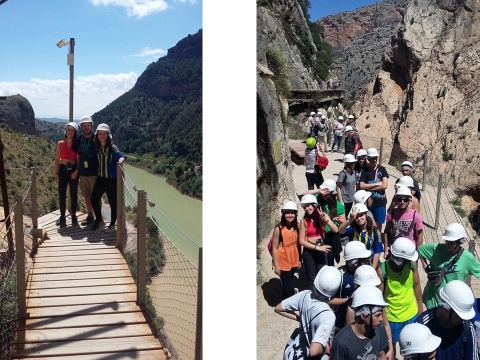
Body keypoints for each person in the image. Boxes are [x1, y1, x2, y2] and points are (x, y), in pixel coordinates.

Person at [275, 266, 341, 360]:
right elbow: (314, 351)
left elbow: (278, 308)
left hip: (301, 347)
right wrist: (325, 349)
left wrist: (300, 318)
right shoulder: (328, 316)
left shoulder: (304, 294)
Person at [377, 237, 423, 359]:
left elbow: (417, 286)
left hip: (411, 314)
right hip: (392, 318)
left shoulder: (412, 265)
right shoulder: (382, 271)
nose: (409, 261)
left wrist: (420, 309)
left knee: (412, 349)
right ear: (398, 259)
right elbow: (379, 298)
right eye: (407, 260)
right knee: (391, 348)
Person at [418, 222, 480, 310]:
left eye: (452, 242)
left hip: (453, 304)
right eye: (447, 240)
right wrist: (427, 268)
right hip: (433, 300)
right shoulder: (436, 249)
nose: (448, 244)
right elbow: (420, 250)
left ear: (460, 242)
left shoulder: (468, 258)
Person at [416, 280, 479, 360]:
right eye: (460, 315)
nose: (463, 319)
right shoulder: (421, 326)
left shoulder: (467, 327)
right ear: (446, 308)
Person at [330, 285, 389, 360]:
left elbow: (381, 356)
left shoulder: (379, 328)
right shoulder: (341, 342)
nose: (381, 319)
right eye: (377, 315)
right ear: (363, 316)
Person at [298, 194, 338, 291]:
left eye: (309, 206)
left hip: (321, 248)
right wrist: (317, 248)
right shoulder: (303, 221)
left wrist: (327, 220)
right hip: (310, 251)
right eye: (305, 207)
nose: (307, 209)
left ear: (314, 205)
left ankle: (320, 297)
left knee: (321, 275)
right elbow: (301, 241)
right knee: (311, 278)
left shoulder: (322, 216)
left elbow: (336, 230)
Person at [330, 241, 371, 334]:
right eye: (364, 259)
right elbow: (328, 299)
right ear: (355, 262)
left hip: (362, 321)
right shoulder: (338, 275)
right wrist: (349, 299)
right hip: (340, 323)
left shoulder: (367, 272)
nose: (367, 260)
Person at [90, 123, 125, 233]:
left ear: (108, 134)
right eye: (100, 134)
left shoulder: (112, 147)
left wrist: (121, 160)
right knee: (93, 198)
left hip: (111, 179)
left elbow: (120, 156)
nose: (102, 136)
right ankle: (100, 221)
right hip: (101, 178)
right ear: (97, 135)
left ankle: (112, 224)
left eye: (104, 134)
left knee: (112, 202)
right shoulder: (99, 147)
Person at [302, 179, 345, 266]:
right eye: (323, 191)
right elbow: (304, 194)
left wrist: (339, 221)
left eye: (327, 192)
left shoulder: (338, 206)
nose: (324, 194)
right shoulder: (317, 198)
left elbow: (343, 222)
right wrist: (318, 190)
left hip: (331, 235)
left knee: (329, 260)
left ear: (332, 193)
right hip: (318, 234)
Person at [383, 186, 424, 259]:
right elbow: (386, 232)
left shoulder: (416, 216)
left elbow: (419, 237)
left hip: (409, 251)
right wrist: (386, 249)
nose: (402, 202)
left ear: (410, 200)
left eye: (405, 200)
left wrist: (417, 254)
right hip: (394, 250)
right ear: (396, 200)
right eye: (400, 199)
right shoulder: (391, 214)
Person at [338, 203, 384, 269]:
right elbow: (340, 230)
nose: (359, 218)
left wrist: (373, 269)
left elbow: (377, 252)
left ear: (366, 215)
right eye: (357, 217)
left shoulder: (375, 231)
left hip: (370, 264)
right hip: (355, 266)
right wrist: (350, 219)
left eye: (361, 215)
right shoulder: (352, 230)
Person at [271, 201, 301, 299]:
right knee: (288, 286)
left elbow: (298, 244)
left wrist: (299, 259)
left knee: (289, 281)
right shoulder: (279, 228)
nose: (290, 215)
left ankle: (286, 299)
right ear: (283, 214)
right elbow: (274, 248)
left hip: (293, 260)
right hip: (283, 262)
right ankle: (291, 301)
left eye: (292, 213)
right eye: (287, 212)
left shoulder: (297, 226)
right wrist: (276, 266)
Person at [54, 122, 80, 228]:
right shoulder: (60, 144)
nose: (70, 132)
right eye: (68, 130)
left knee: (73, 193)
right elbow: (56, 160)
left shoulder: (77, 145)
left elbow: (79, 160)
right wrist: (56, 174)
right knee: (61, 194)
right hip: (62, 170)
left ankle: (73, 215)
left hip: (73, 170)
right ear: (66, 131)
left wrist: (76, 171)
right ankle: (62, 216)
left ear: (75, 132)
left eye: (72, 130)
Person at [359, 147, 389, 231]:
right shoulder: (365, 171)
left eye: (375, 158)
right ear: (368, 159)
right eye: (372, 159)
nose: (374, 160)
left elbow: (384, 185)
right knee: (369, 222)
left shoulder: (382, 169)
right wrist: (376, 184)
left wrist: (368, 186)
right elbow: (361, 185)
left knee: (379, 224)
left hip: (380, 202)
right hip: (369, 202)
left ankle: (378, 240)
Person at [77, 115, 99, 226]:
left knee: (96, 197)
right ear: (82, 127)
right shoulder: (80, 138)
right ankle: (90, 215)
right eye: (84, 125)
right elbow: (78, 154)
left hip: (94, 173)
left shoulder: (96, 138)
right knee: (87, 196)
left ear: (91, 126)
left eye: (88, 125)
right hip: (83, 173)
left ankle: (98, 218)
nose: (86, 127)